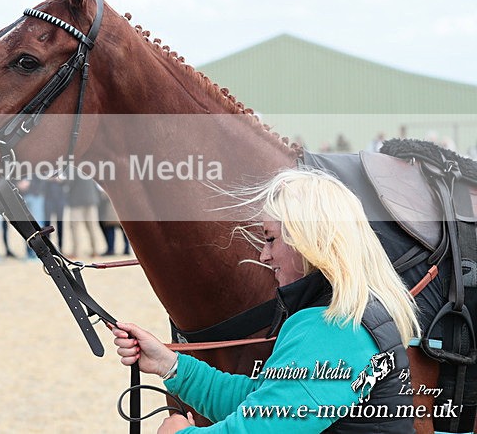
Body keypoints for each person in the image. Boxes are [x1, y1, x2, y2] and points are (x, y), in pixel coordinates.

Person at [112, 169, 420, 433]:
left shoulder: (333, 329)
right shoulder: (345, 316)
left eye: (271, 238)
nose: (264, 255)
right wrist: (170, 365)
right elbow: (260, 401)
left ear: (308, 240)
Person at [66, 167, 99, 258]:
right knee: (92, 226)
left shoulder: (72, 167)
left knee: (75, 227)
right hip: (91, 199)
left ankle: (76, 252)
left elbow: (68, 182)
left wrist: (61, 182)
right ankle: (95, 251)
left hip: (77, 200)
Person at [97, 187, 129, 256]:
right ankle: (126, 249)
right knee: (125, 231)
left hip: (112, 210)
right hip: (123, 211)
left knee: (110, 229)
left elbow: (103, 197)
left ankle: (111, 249)